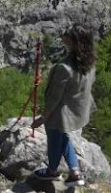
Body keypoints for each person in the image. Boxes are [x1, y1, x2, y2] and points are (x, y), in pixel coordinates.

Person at [31, 24, 97, 187]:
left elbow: (54, 98)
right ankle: (75, 172)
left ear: (75, 42)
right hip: (76, 110)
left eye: (67, 34)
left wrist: (42, 118)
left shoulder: (64, 68)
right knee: (64, 137)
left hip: (61, 113)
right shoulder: (89, 62)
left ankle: (52, 172)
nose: (63, 34)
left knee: (54, 140)